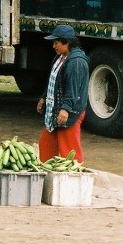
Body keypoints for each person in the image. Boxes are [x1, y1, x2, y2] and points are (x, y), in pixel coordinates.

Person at [36, 24, 89, 163]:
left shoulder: (76, 62)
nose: (54, 46)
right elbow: (53, 80)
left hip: (69, 113)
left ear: (67, 42)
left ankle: (75, 180)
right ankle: (48, 179)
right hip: (55, 113)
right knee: (46, 145)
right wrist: (44, 97)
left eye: (56, 42)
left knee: (69, 152)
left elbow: (73, 89)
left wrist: (65, 109)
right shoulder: (59, 58)